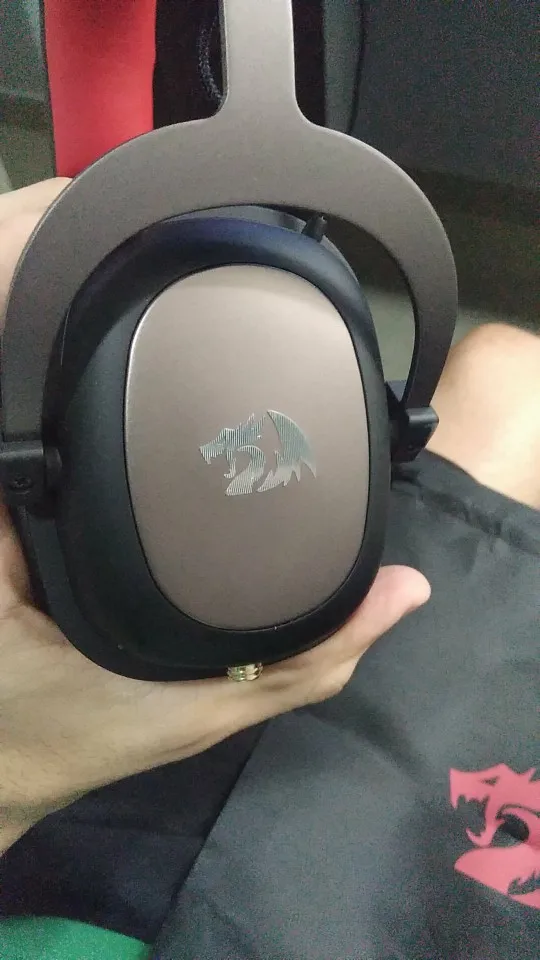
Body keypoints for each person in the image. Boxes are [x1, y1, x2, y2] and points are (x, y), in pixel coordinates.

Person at [0, 180, 538, 960]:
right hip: (336, 897)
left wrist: (15, 774)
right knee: (510, 373)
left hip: (75, 830)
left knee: (504, 371)